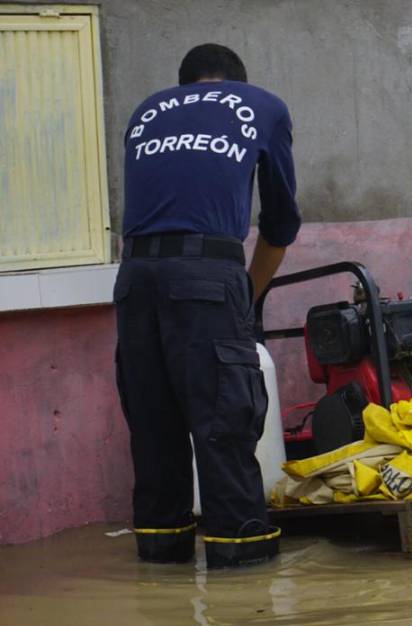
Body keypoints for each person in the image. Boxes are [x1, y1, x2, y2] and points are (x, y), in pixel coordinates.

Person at [113, 43, 300, 568]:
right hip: (207, 273)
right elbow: (281, 225)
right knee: (225, 424)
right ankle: (244, 586)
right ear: (236, 82)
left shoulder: (145, 111)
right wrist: (247, 299)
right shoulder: (262, 104)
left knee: (154, 428)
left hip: (134, 280)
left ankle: (160, 561)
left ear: (184, 83)